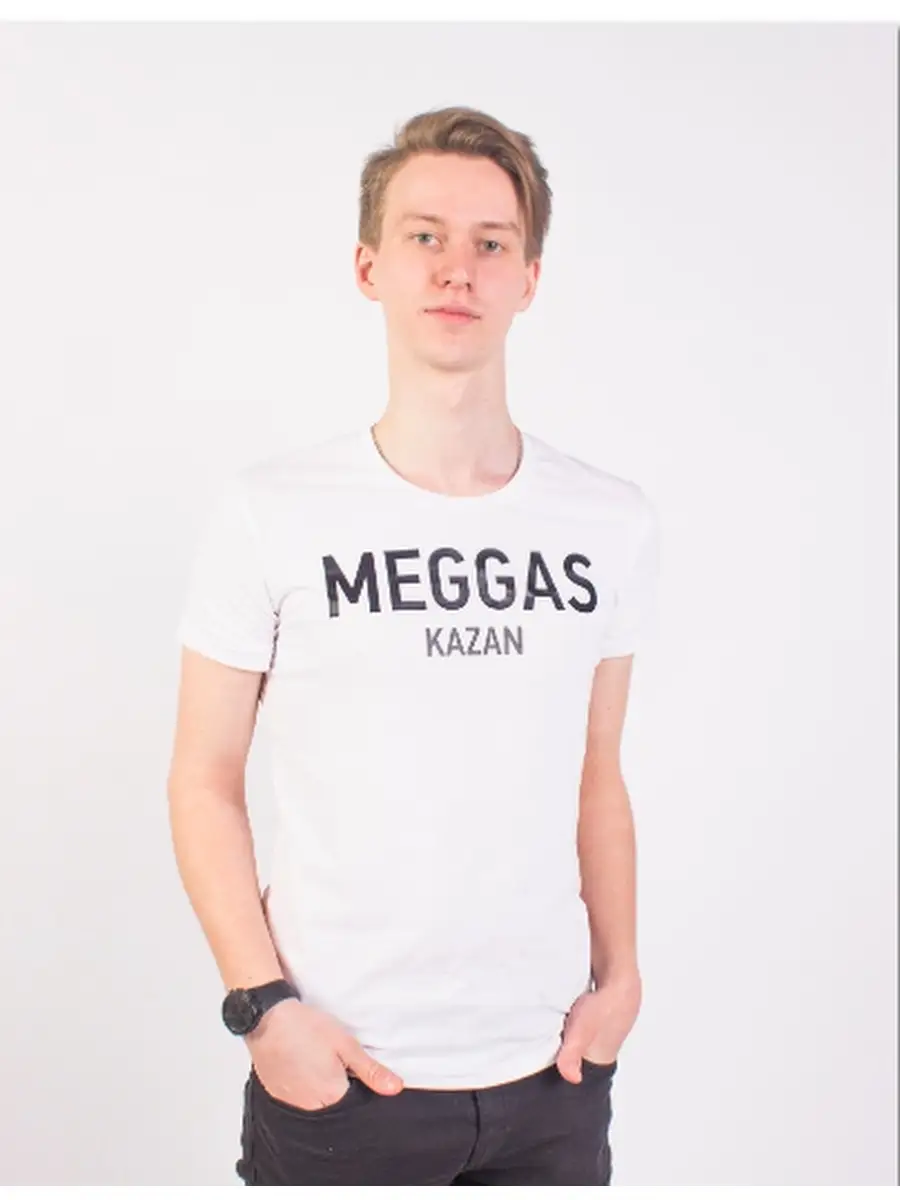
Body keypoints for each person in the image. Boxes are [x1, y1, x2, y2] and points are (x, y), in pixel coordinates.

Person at [168, 104, 661, 1186]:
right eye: (425, 236)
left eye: (491, 243)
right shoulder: (270, 511)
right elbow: (204, 779)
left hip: (553, 1076)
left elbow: (598, 775)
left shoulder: (608, 521)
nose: (457, 269)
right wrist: (263, 1009)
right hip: (344, 1078)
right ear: (369, 267)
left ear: (529, 278)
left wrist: (621, 979)